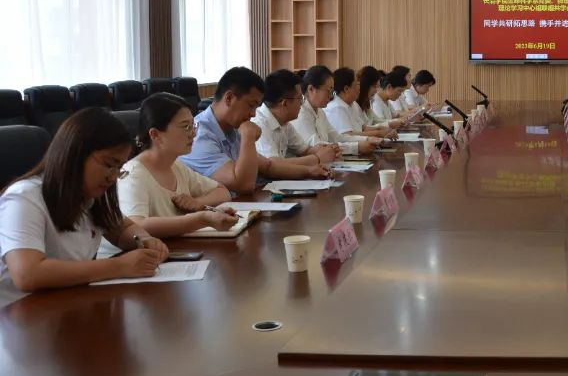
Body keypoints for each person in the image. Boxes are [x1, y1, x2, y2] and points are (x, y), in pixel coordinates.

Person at [0, 108, 169, 307]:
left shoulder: (89, 195)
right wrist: (118, 266)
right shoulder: (24, 197)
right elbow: (28, 274)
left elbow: (122, 229)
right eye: (109, 164)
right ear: (75, 154)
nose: (113, 177)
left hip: (66, 304)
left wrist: (144, 239)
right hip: (18, 313)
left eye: (119, 169)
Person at [180, 67, 330, 194]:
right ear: (229, 98)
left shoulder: (232, 128)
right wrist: (248, 137)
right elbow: (243, 185)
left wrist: (309, 171)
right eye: (251, 105)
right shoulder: (200, 135)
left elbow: (269, 167)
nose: (253, 114)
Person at [116, 93, 240, 239]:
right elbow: (136, 225)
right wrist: (201, 219)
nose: (193, 134)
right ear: (155, 134)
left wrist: (198, 203)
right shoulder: (133, 174)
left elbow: (222, 191)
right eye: (186, 127)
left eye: (193, 125)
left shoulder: (176, 167)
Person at [254, 70, 341, 164]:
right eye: (300, 99)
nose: (302, 104)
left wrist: (328, 150)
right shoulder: (260, 124)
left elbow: (305, 151)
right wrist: (317, 158)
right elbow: (274, 164)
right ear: (285, 103)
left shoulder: (285, 123)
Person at [291, 65, 379, 156]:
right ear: (311, 89)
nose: (330, 96)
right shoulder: (301, 114)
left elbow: (336, 137)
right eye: (328, 91)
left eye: (332, 91)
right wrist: (356, 147)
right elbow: (318, 146)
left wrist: (367, 139)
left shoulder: (320, 112)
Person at [325, 67, 396, 139]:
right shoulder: (337, 108)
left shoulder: (353, 104)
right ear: (346, 89)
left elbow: (363, 128)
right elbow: (348, 136)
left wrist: (382, 129)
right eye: (357, 84)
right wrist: (377, 133)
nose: (359, 88)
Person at [356, 66, 405, 131]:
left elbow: (376, 120)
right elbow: (364, 129)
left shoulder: (367, 102)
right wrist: (390, 124)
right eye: (374, 87)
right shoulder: (356, 104)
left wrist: (395, 122)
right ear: (365, 85)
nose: (376, 90)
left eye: (377, 87)